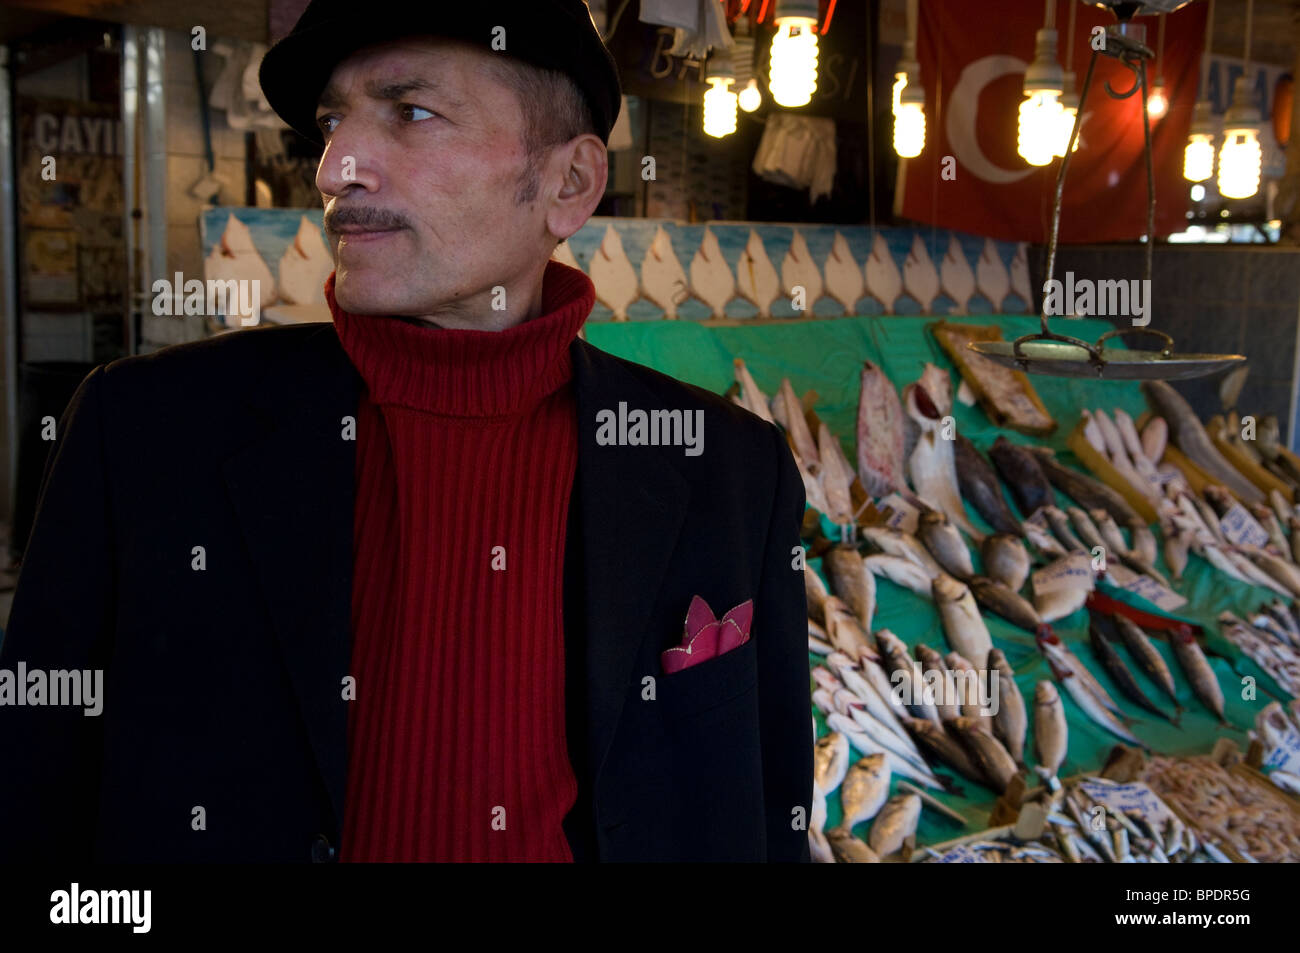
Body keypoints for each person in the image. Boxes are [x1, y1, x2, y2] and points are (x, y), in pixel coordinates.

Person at [0, 0, 810, 862]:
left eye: (412, 112)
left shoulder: (725, 467)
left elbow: (761, 807)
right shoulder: (146, 433)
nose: (336, 166)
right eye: (330, 122)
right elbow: (33, 795)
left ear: (569, 185)